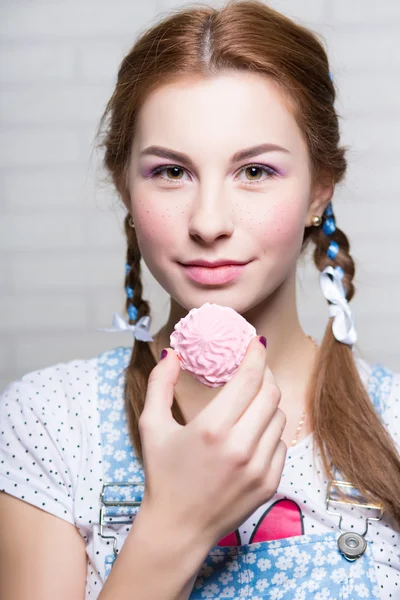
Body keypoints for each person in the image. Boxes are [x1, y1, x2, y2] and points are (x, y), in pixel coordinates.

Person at [0, 0, 399, 598]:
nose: (209, 222)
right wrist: (175, 525)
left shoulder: (393, 425)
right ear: (125, 190)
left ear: (320, 189)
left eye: (256, 171)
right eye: (170, 172)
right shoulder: (51, 422)